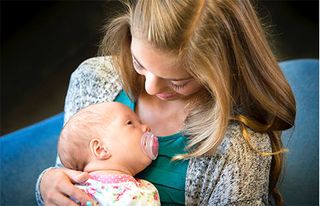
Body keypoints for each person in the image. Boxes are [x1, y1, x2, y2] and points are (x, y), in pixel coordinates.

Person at [36, 0, 296, 205]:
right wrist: (47, 184)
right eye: (139, 63)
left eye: (178, 81)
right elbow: (69, 168)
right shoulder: (93, 79)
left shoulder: (238, 148)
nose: (150, 87)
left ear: (220, 71)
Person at [57, 102, 160, 206]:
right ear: (100, 149)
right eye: (130, 123)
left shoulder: (145, 189)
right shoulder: (74, 195)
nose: (146, 127)